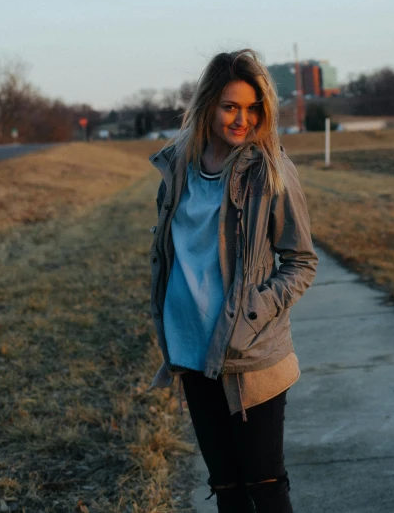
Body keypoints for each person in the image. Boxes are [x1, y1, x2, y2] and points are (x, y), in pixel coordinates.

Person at [148, 49, 318, 513]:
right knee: (225, 487)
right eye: (230, 106)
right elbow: (170, 252)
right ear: (208, 105)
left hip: (251, 354)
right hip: (191, 351)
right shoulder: (178, 165)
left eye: (252, 108)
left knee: (264, 483)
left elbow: (301, 261)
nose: (242, 119)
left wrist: (251, 314)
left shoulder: (270, 171)